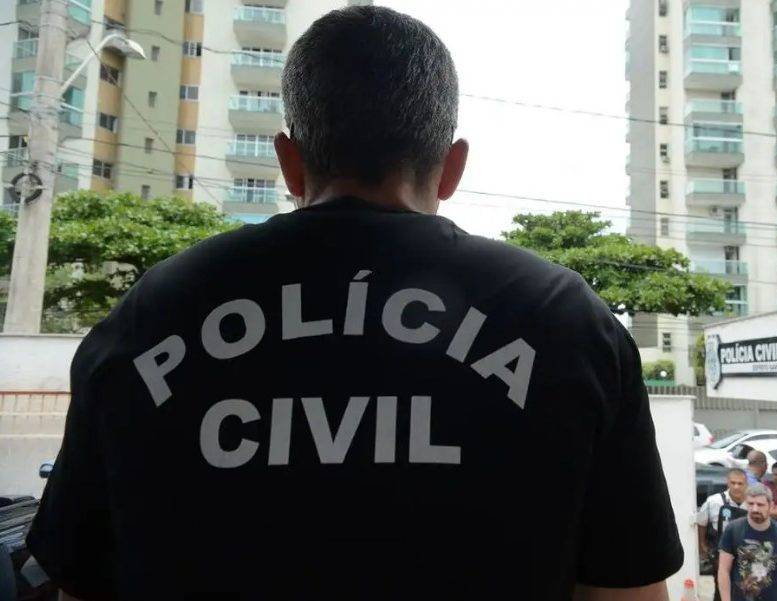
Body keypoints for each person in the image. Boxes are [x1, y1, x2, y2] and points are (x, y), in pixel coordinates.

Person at [26, 6, 684, 600]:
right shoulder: (565, 322)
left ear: (288, 161)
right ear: (451, 166)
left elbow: (80, 586)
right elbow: (627, 592)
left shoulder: (148, 318)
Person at [718, 484, 777, 601]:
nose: (755, 509)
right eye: (750, 504)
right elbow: (723, 570)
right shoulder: (733, 530)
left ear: (771, 506)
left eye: (760, 504)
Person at [697, 469, 748, 601]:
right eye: (733, 483)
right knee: (721, 590)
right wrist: (703, 546)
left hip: (746, 554)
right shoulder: (714, 501)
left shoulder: (751, 503)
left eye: (740, 483)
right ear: (727, 483)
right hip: (720, 553)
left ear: (746, 484)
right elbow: (701, 523)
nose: (736, 486)